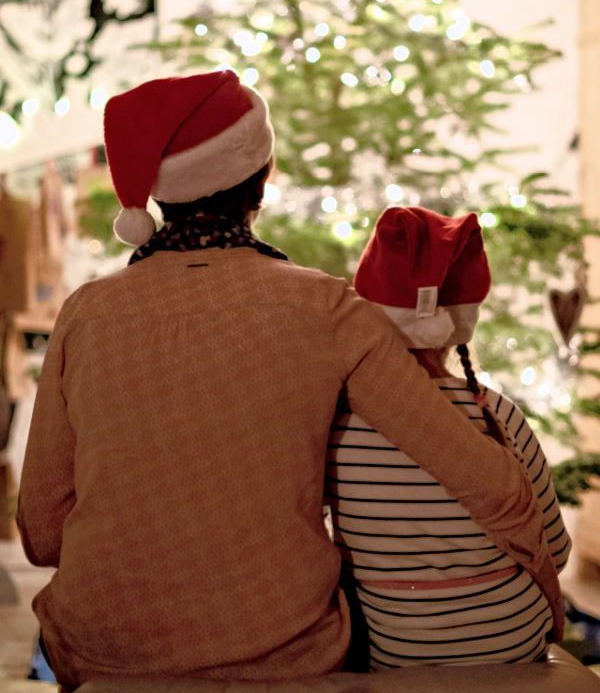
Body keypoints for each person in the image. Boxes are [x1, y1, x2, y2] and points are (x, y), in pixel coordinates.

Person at [17, 72, 562, 689]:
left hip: (101, 655)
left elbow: (40, 530)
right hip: (287, 658)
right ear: (264, 172)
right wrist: (548, 592)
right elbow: (477, 471)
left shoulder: (86, 312)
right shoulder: (324, 306)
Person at [327, 206, 571, 668]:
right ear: (461, 321)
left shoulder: (338, 425)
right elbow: (554, 551)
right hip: (514, 643)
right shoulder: (498, 413)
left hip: (401, 652)